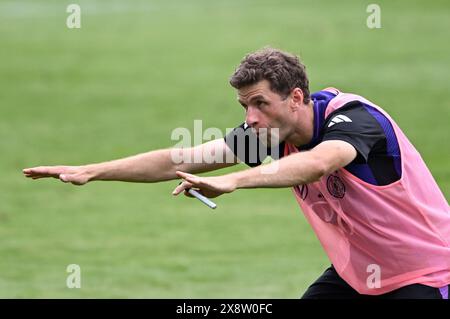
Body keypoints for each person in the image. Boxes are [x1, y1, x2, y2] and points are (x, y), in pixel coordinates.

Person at [23, 48, 450, 299]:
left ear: (295, 97)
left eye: (259, 103)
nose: (250, 117)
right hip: (358, 273)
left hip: (426, 275)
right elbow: (180, 159)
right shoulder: (268, 132)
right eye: (244, 106)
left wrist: (234, 180)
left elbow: (319, 161)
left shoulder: (355, 120)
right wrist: (91, 171)